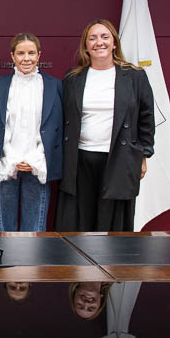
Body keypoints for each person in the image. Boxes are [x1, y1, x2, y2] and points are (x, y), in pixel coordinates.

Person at [56, 19, 154, 232]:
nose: (98, 42)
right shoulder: (72, 78)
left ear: (114, 43)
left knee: (112, 224)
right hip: (80, 159)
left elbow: (146, 118)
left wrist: (143, 155)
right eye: (92, 38)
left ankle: (111, 257)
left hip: (119, 158)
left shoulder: (135, 76)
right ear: (86, 46)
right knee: (79, 221)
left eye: (104, 37)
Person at [0, 33, 62, 232]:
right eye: (21, 53)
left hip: (38, 164)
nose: (26, 58)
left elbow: (56, 127)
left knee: (33, 231)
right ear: (12, 56)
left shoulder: (53, 85)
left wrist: (34, 159)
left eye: (31, 53)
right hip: (6, 162)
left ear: (39, 55)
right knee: (3, 230)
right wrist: (13, 158)